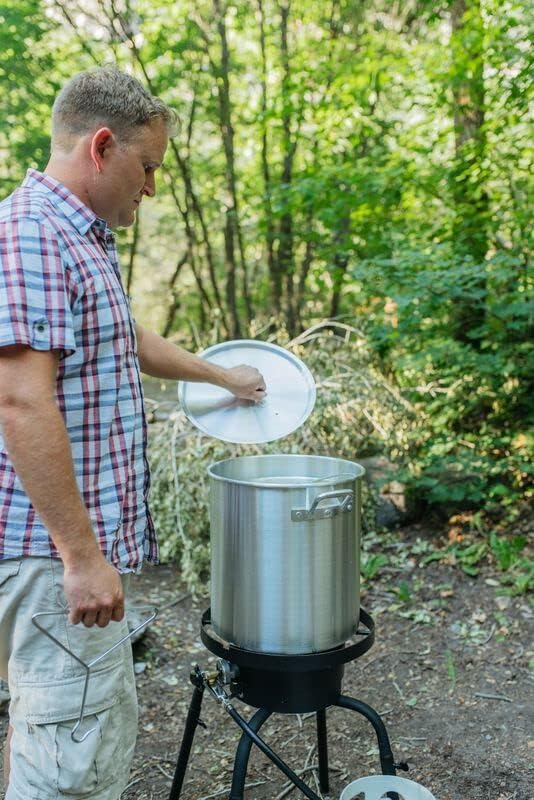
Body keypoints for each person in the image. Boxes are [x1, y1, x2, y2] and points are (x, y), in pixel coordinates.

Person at [0, 67, 266, 800]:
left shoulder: (78, 238)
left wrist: (221, 377)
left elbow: (124, 336)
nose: (151, 188)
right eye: (147, 167)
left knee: (56, 736)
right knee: (69, 775)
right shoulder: (32, 235)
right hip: (48, 557)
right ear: (102, 145)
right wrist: (82, 557)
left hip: (66, 554)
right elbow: (21, 403)